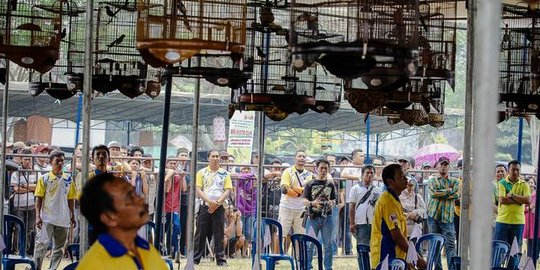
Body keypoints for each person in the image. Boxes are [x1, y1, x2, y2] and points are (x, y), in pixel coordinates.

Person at [77, 173, 168, 269]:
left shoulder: (145, 249)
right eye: (130, 198)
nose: (140, 200)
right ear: (109, 218)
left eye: (135, 194)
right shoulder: (95, 264)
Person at [370, 164, 426, 269]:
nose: (406, 179)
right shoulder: (387, 201)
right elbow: (397, 237)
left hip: (395, 258)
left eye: (405, 175)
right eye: (401, 176)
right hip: (386, 258)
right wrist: (417, 259)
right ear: (390, 181)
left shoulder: (394, 199)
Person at [34, 150, 76, 270]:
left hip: (63, 219)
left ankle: (52, 269)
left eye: (62, 161)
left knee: (59, 248)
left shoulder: (68, 179)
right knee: (41, 245)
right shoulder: (44, 178)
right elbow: (39, 198)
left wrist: (72, 215)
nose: (60, 163)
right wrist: (38, 216)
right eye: (57, 161)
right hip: (47, 218)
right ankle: (37, 268)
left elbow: (71, 199)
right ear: (51, 162)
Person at [193, 150, 233, 266]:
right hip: (205, 205)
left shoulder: (225, 173)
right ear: (208, 158)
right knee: (200, 233)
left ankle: (221, 259)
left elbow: (227, 190)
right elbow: (198, 189)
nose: (215, 158)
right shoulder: (202, 172)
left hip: (219, 206)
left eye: (217, 156)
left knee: (219, 233)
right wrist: (209, 202)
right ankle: (195, 259)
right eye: (213, 156)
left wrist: (217, 203)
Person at [303, 159, 336, 270]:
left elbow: (334, 199)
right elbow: (304, 201)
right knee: (309, 245)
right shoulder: (310, 184)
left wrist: (332, 203)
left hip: (328, 218)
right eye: (321, 168)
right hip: (312, 218)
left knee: (328, 245)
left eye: (326, 168)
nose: (323, 170)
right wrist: (313, 203)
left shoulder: (331, 184)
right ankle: (308, 266)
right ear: (316, 169)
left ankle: (328, 267)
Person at [427, 156, 460, 270]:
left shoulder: (454, 181)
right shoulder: (432, 180)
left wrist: (440, 192)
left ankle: (452, 268)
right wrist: (449, 190)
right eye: (442, 164)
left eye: (446, 165)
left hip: (448, 218)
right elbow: (432, 193)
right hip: (433, 217)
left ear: (449, 167)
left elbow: (456, 195)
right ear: (437, 166)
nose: (444, 166)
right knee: (434, 245)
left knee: (450, 245)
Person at [279, 150, 313, 252]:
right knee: (281, 233)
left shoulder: (309, 174)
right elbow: (285, 189)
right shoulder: (287, 172)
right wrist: (300, 191)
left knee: (300, 235)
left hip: (301, 209)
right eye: (299, 156)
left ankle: (299, 257)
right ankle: (277, 256)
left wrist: (294, 188)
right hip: (286, 207)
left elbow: (308, 191)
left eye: (303, 156)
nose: (301, 158)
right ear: (295, 158)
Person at [495, 160, 531, 248]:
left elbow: (528, 200)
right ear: (508, 171)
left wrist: (512, 195)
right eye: (513, 169)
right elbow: (502, 200)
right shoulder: (502, 183)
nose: (515, 172)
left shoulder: (524, 184)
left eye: (517, 170)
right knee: (498, 250)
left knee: (515, 252)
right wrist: (519, 200)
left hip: (518, 222)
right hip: (502, 221)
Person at [10, 148, 37, 255]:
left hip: (32, 204)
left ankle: (26, 250)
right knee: (18, 228)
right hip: (19, 204)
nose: (28, 162)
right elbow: (16, 189)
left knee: (30, 229)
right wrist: (31, 188)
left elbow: (38, 187)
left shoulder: (35, 172)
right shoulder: (16, 173)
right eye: (26, 159)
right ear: (21, 160)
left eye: (29, 159)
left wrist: (24, 186)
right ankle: (17, 250)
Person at [348, 164, 381, 247]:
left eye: (371, 173)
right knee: (362, 249)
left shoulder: (378, 190)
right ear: (362, 175)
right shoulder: (355, 189)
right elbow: (352, 207)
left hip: (374, 223)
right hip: (360, 223)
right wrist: (352, 223)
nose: (369, 175)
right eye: (367, 173)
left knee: (375, 248)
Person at [340, 149, 365, 255]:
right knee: (348, 226)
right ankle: (347, 250)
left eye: (363, 156)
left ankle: (362, 248)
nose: (363, 157)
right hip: (350, 201)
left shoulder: (364, 168)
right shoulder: (349, 167)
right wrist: (358, 178)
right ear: (354, 157)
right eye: (360, 156)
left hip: (362, 202)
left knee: (362, 225)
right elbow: (343, 174)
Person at [164, 158, 186, 259]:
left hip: (175, 207)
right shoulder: (163, 174)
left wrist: (182, 177)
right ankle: (160, 250)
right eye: (171, 163)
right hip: (164, 207)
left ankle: (175, 251)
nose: (173, 165)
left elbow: (183, 189)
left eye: (174, 163)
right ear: (166, 164)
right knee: (162, 230)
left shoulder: (177, 177)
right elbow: (167, 190)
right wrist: (169, 177)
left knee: (176, 227)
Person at [524, 180, 539, 258]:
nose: (530, 184)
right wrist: (529, 207)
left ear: (535, 184)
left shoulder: (537, 195)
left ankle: (535, 257)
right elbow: (522, 209)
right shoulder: (525, 195)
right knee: (529, 241)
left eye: (532, 183)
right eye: (529, 183)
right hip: (528, 220)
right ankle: (529, 258)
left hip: (536, 220)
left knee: (536, 239)